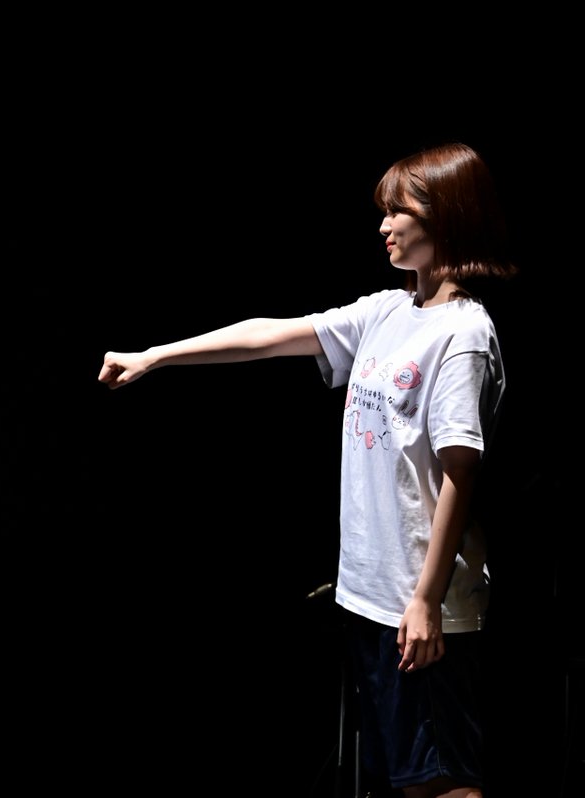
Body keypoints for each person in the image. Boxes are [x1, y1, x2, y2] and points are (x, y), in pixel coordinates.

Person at [98, 142, 515, 798]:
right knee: (404, 778)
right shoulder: (388, 312)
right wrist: (155, 356)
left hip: (420, 600)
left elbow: (460, 474)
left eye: (398, 211)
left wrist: (427, 600)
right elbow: (269, 335)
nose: (383, 224)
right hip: (370, 595)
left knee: (442, 785)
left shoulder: (462, 334)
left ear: (446, 215)